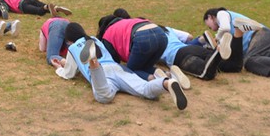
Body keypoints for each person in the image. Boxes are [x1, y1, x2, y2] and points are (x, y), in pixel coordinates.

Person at [53, 22, 188, 110]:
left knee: (104, 96)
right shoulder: (94, 40)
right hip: (118, 68)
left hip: (103, 74)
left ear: (69, 39)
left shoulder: (73, 48)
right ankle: (166, 83)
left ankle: (93, 63)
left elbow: (69, 73)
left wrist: (59, 68)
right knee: (145, 89)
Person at [96, 14, 169, 81]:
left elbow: (114, 62)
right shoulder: (127, 21)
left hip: (143, 38)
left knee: (130, 71)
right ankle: (166, 74)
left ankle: (154, 79)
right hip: (161, 35)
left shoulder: (107, 34)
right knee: (146, 67)